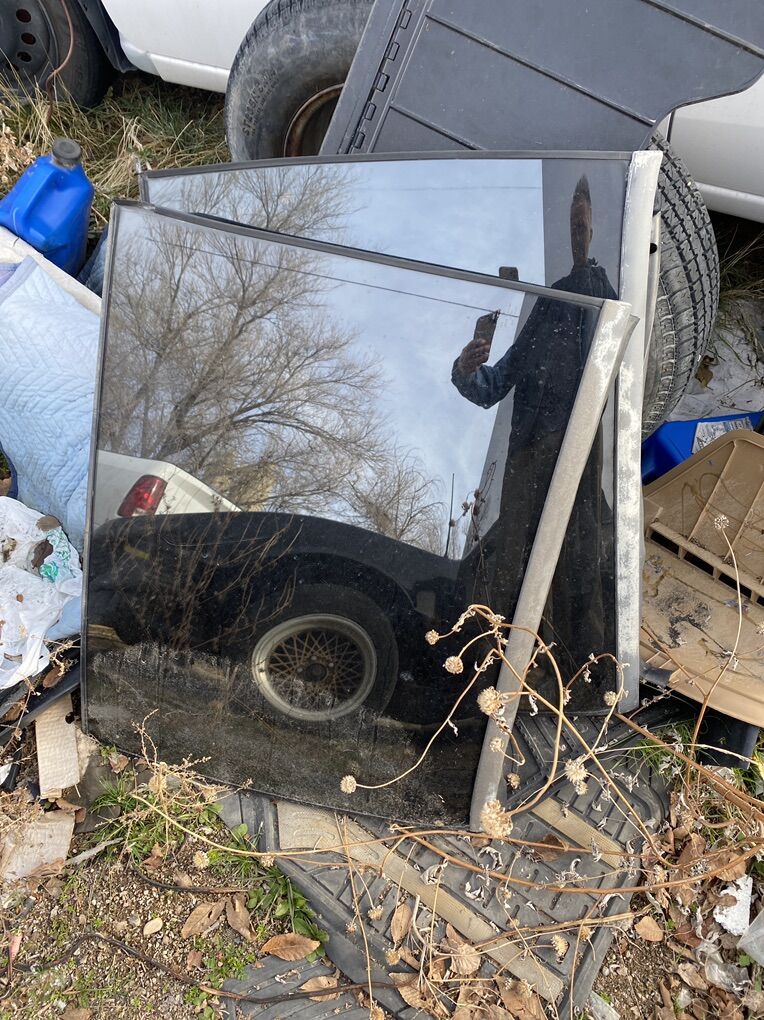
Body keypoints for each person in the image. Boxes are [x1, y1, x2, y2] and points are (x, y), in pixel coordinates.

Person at [452, 176, 616, 692]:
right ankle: (503, 671)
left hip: (582, 456)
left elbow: (622, 369)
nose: (578, 229)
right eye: (571, 221)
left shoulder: (607, 297)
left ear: (596, 227)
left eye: (584, 220)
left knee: (583, 563)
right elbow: (493, 384)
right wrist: (465, 368)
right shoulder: (548, 303)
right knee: (515, 564)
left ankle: (584, 681)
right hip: (529, 457)